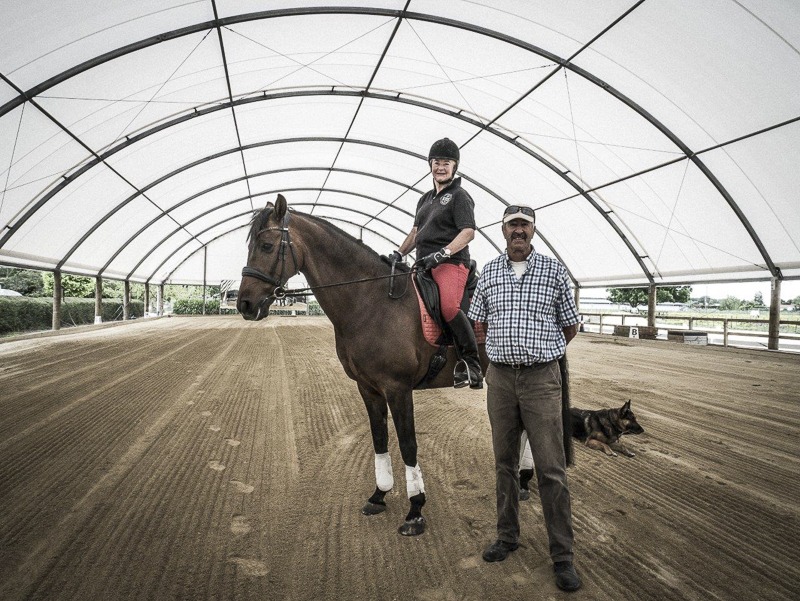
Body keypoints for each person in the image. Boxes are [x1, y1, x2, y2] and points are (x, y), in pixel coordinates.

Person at [467, 204, 582, 592]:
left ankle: (562, 556)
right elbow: (477, 319)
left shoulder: (552, 270)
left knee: (551, 469)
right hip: (500, 379)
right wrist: (493, 354)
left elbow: (570, 324)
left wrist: (540, 352)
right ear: (502, 230)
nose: (518, 231)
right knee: (504, 463)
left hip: (541, 379)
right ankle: (507, 536)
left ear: (533, 230)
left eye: (524, 225)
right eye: (512, 225)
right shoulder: (490, 271)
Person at [390, 137, 483, 389]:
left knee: (449, 307)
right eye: (436, 162)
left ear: (455, 167)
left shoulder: (460, 196)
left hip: (451, 264)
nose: (440, 167)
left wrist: (442, 254)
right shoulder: (424, 199)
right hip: (423, 264)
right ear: (430, 165)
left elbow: (468, 232)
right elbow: (415, 232)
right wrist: (399, 253)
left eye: (446, 163)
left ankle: (472, 364)